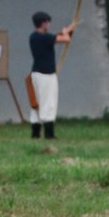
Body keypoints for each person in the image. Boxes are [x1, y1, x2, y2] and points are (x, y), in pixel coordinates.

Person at [27, 11, 75, 140]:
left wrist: (66, 30)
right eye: (47, 22)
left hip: (35, 74)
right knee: (48, 102)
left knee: (36, 103)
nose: (48, 24)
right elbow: (66, 39)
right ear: (43, 23)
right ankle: (49, 134)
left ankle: (35, 133)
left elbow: (54, 38)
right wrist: (66, 32)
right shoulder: (45, 37)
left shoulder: (34, 36)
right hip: (46, 76)